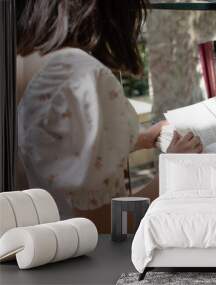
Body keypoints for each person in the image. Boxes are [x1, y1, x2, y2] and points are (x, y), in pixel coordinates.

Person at [16, 0, 203, 231]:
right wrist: (174, 170)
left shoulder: (32, 61)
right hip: (94, 255)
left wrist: (143, 138)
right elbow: (106, 225)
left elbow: (70, 149)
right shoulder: (83, 79)